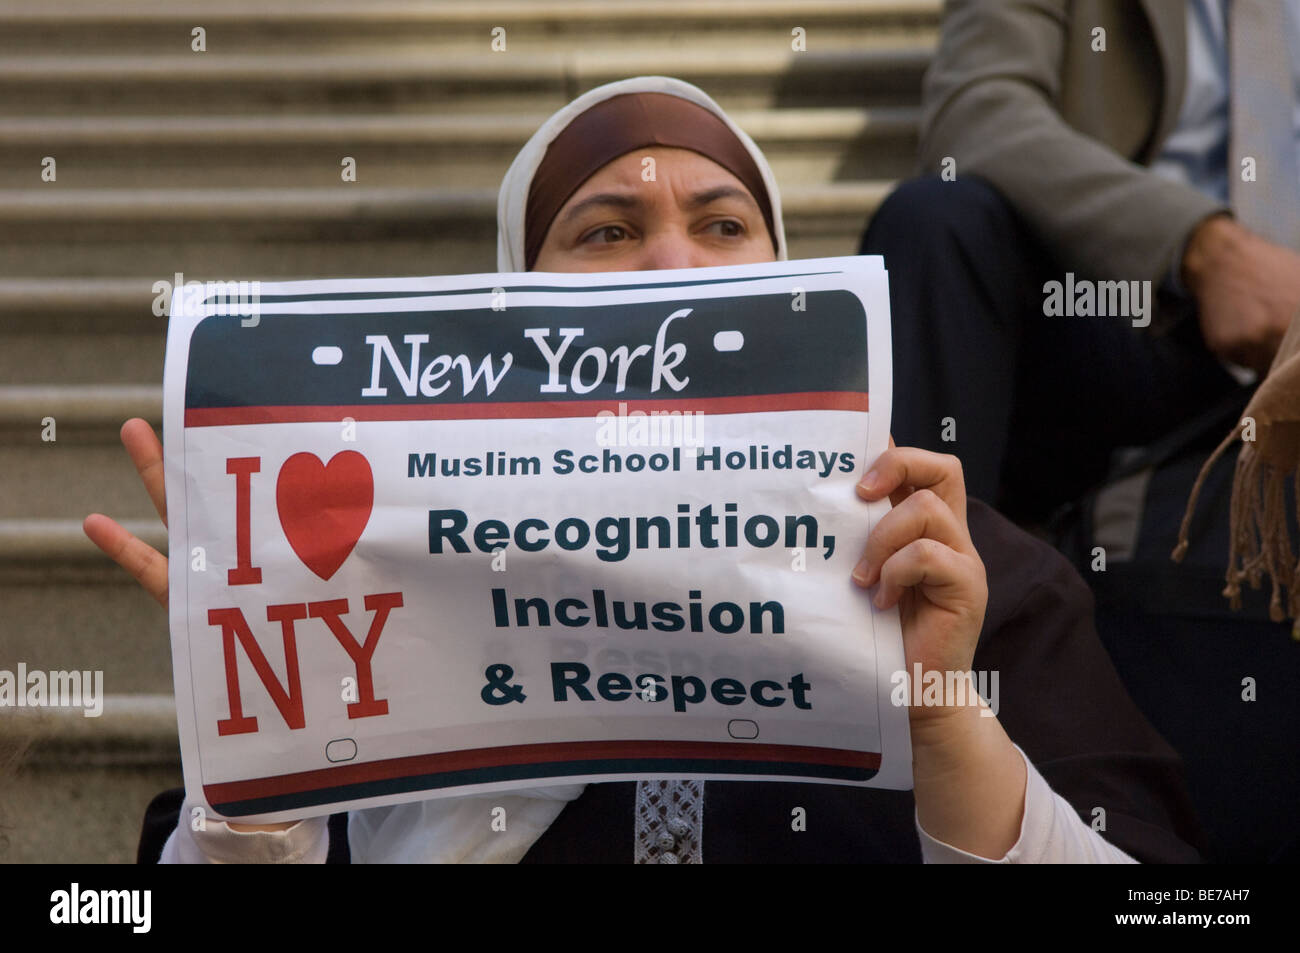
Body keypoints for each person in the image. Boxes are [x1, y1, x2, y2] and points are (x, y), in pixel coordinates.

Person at [87, 76, 1204, 863]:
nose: (672, 261)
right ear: (514, 307)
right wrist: (261, 750)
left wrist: (944, 717)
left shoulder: (957, 574)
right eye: (607, 232)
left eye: (721, 224)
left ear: (785, 277)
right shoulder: (391, 582)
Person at [862, 0, 1300, 523]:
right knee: (936, 219)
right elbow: (976, 113)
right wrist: (1206, 248)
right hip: (1137, 315)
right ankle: (924, 576)